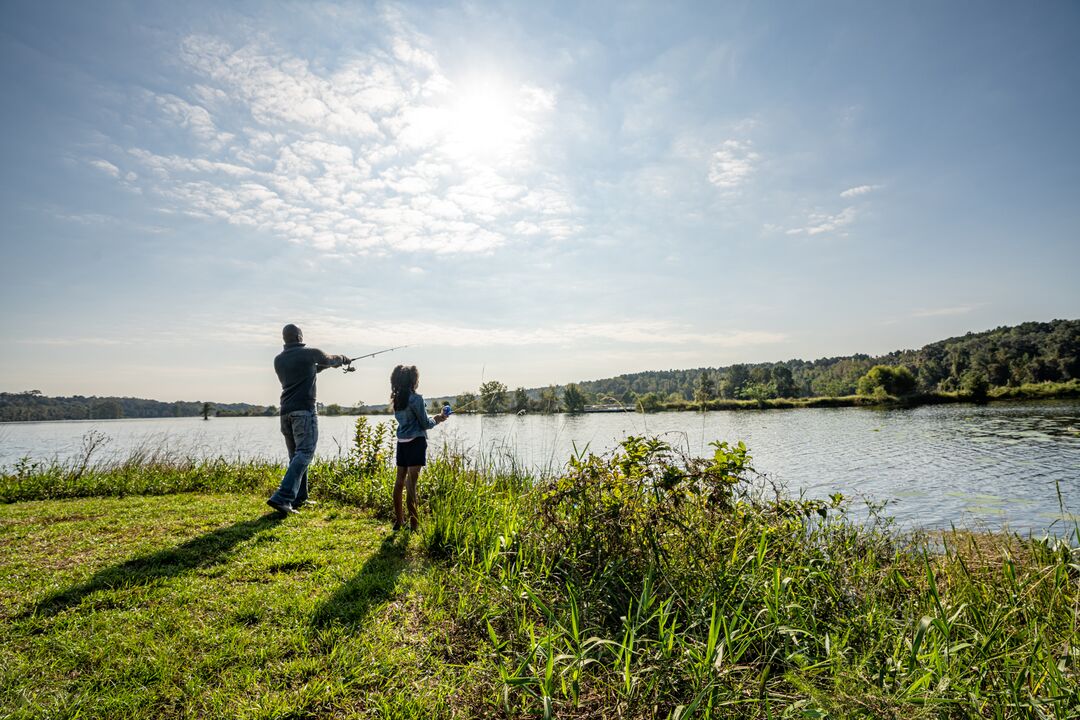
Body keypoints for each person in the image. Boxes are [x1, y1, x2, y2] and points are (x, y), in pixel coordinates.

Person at [267, 324, 350, 515]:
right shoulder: (310, 353)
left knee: (296, 456)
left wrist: (327, 366)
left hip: (285, 413)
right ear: (298, 337)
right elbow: (327, 359)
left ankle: (299, 498)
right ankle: (282, 497)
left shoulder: (279, 360)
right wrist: (342, 359)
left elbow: (311, 369)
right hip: (304, 412)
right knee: (305, 453)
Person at [390, 364, 448, 531]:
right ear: (413, 380)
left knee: (399, 482)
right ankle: (414, 525)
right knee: (411, 485)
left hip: (402, 443)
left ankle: (399, 522)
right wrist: (437, 418)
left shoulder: (397, 398)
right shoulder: (416, 399)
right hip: (416, 443)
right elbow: (425, 423)